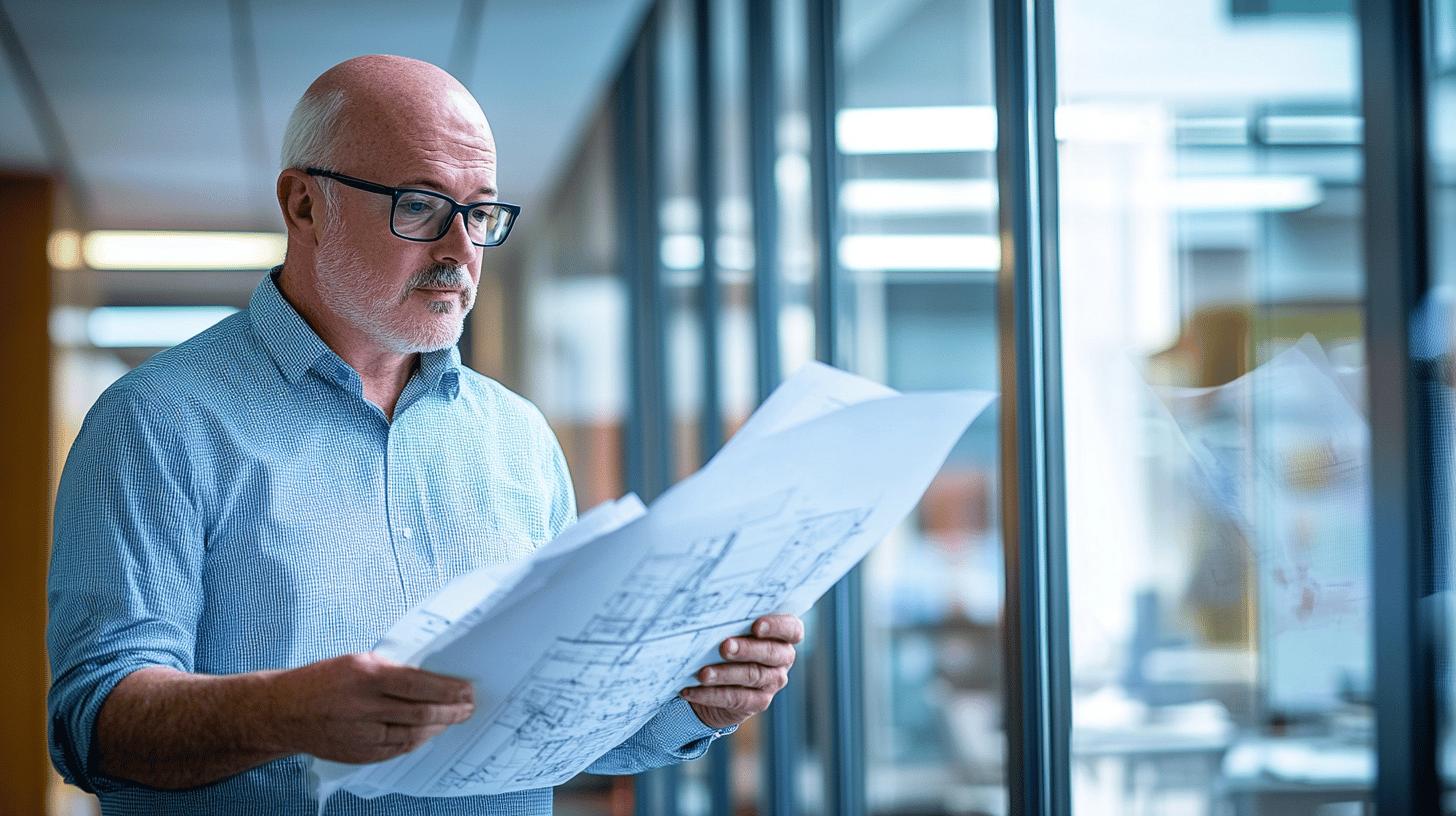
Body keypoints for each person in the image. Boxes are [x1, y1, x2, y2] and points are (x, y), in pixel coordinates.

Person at [47, 54, 802, 815]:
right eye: (421, 206)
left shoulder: (520, 440)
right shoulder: (156, 421)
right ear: (305, 206)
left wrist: (698, 704)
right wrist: (283, 713)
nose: (461, 250)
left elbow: (553, 726)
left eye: (479, 213)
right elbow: (94, 727)